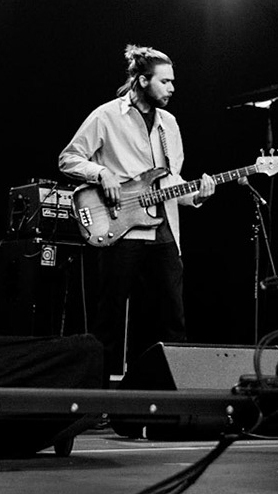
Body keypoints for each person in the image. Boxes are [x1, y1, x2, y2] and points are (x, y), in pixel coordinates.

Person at [58, 44, 215, 378]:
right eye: (165, 81)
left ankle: (170, 396)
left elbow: (171, 182)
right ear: (143, 80)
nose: (172, 88)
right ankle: (97, 398)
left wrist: (197, 195)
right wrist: (101, 173)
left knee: (173, 317)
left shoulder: (169, 124)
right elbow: (68, 158)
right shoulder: (107, 115)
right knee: (110, 317)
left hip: (164, 231)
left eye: (173, 82)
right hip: (122, 227)